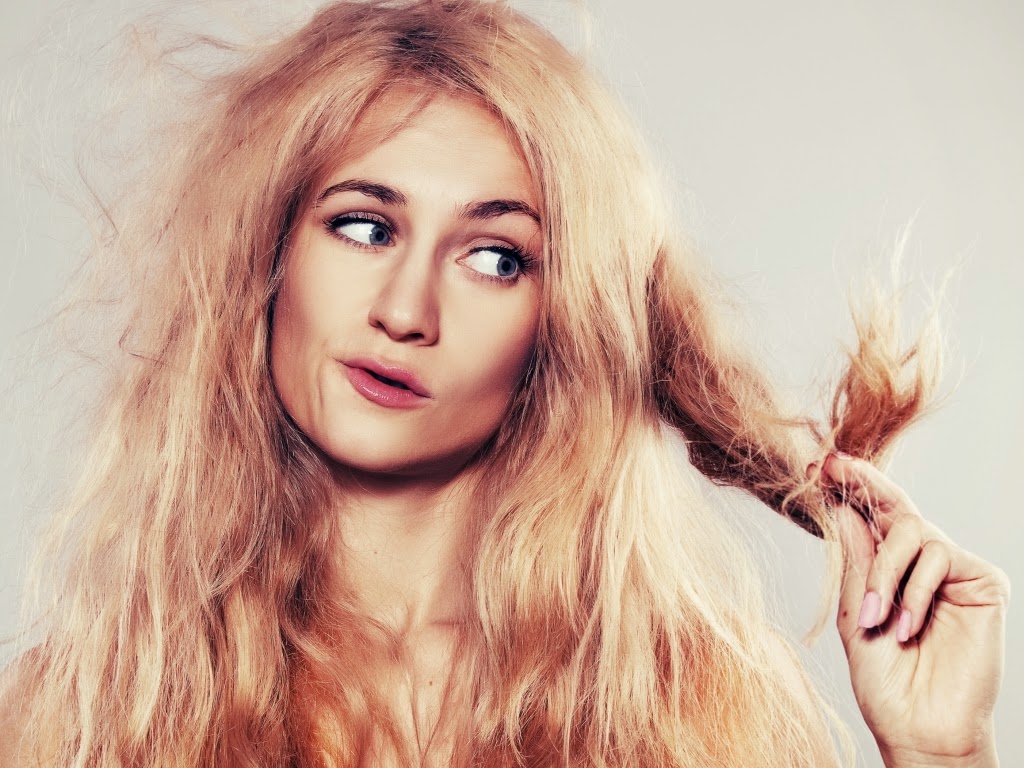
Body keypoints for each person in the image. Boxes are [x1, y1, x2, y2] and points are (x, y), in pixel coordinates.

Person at [0, 0, 1009, 765]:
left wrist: (938, 755)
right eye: (363, 225)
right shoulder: (89, 714)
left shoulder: (692, 712)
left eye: (494, 258)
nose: (405, 310)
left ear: (559, 323)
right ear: (268, 257)